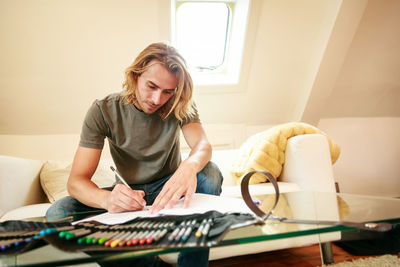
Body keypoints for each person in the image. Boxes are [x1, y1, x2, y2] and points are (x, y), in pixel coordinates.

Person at [46, 42, 223, 267]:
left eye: (168, 91)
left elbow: (203, 145)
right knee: (58, 213)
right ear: (135, 75)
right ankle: (149, 265)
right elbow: (76, 182)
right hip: (132, 193)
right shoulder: (103, 110)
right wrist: (108, 199)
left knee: (210, 173)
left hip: (168, 189)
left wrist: (189, 166)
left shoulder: (180, 104)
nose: (157, 99)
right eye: (151, 86)